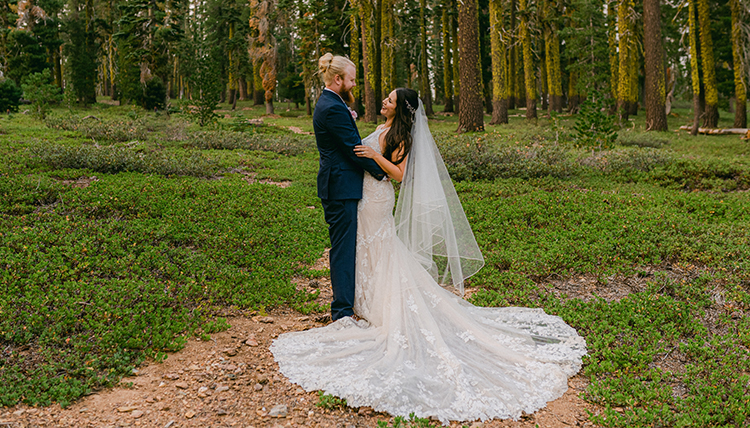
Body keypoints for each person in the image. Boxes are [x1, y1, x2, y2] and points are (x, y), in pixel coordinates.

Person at [271, 87, 587, 424]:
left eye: (389, 100)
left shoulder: (401, 137)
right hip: (360, 193)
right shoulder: (382, 129)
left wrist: (376, 158)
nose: (383, 102)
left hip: (377, 197)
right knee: (367, 247)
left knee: (380, 244)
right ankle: (366, 302)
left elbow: (402, 175)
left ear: (400, 109)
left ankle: (383, 305)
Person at [312, 53, 387, 322]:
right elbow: (354, 149)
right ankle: (341, 312)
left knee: (345, 246)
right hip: (340, 187)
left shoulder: (333, 102)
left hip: (341, 184)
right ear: (338, 79)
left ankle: (348, 305)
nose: (354, 84)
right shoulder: (332, 107)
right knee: (343, 249)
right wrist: (383, 173)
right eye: (352, 79)